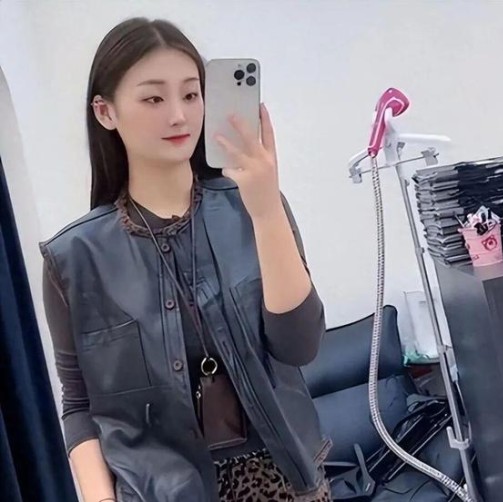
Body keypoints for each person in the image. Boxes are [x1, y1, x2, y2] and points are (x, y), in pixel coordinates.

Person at [40, 17, 331, 502]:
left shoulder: (252, 207)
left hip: (287, 484)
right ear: (106, 112)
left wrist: (265, 210)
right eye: (153, 99)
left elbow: (300, 346)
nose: (178, 115)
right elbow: (79, 405)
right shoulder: (74, 258)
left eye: (192, 94)